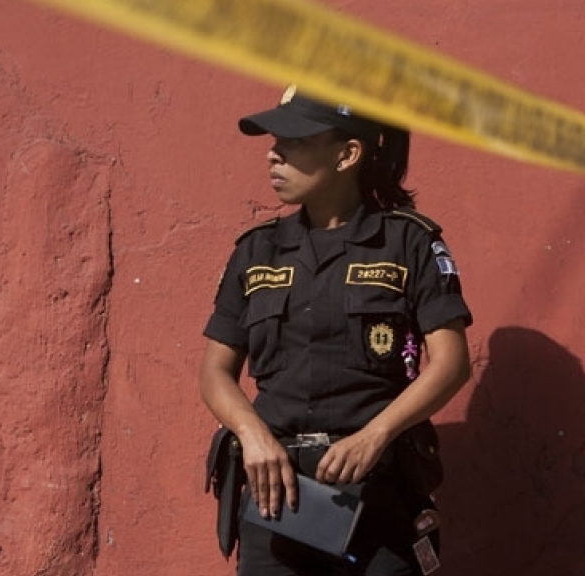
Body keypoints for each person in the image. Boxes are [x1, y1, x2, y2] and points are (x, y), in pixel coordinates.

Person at [199, 85, 473, 576]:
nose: (273, 154)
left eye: (295, 141)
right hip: (276, 497)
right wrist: (253, 436)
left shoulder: (408, 242)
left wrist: (376, 435)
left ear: (347, 154)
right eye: (273, 140)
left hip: (376, 495)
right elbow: (215, 373)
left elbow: (451, 363)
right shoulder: (256, 251)